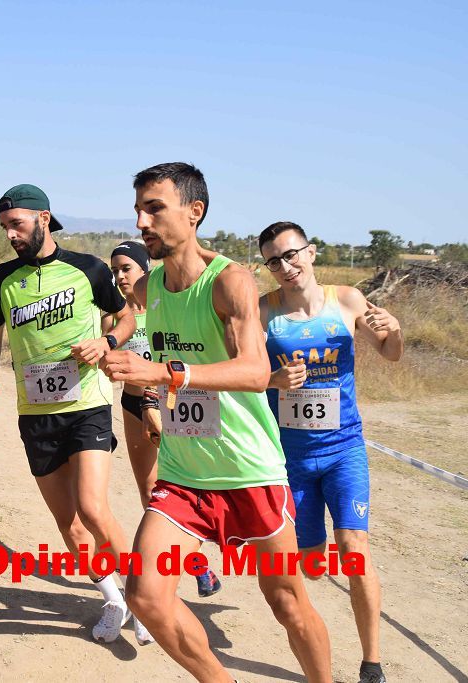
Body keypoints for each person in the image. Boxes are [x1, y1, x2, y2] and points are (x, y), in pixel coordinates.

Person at [100, 162, 332, 682]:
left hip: (249, 470)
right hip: (184, 473)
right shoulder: (151, 284)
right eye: (138, 209)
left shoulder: (229, 280)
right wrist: (109, 343)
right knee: (146, 595)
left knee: (287, 602)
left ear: (194, 211)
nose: (141, 222)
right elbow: (129, 312)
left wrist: (162, 371)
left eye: (154, 208)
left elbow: (254, 370)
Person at [0, 184, 152, 645]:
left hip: (86, 405)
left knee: (94, 508)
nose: (10, 234)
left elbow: (128, 317)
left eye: (16, 224)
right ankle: (112, 599)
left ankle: (145, 600)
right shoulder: (4, 280)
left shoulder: (88, 268)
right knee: (70, 526)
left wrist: (106, 342)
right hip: (35, 413)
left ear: (44, 219)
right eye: (5, 227)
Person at [259, 221, 402, 683]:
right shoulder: (264, 312)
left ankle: (371, 663)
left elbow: (390, 353)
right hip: (291, 459)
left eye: (292, 254)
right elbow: (243, 374)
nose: (286, 266)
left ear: (312, 252)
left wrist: (393, 329)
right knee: (313, 564)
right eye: (274, 260)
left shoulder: (347, 300)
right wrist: (272, 380)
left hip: (344, 449)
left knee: (354, 549)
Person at [108, 240, 221, 600]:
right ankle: (198, 570)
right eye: (115, 271)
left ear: (145, 270)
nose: (120, 276)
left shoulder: (163, 307)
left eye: (127, 268)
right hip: (131, 405)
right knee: (151, 491)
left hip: (175, 407)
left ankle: (191, 560)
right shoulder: (115, 315)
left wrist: (154, 400)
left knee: (189, 488)